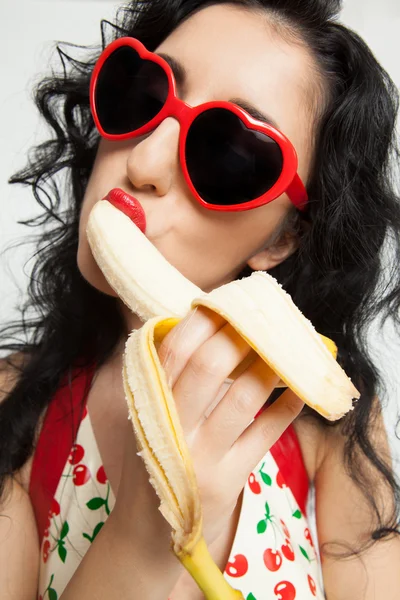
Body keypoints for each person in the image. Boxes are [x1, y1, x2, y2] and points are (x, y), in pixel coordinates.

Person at [1, 0, 400, 598]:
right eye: (141, 94)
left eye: (229, 152)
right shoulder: (14, 404)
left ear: (285, 236)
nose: (143, 161)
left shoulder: (328, 419)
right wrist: (145, 535)